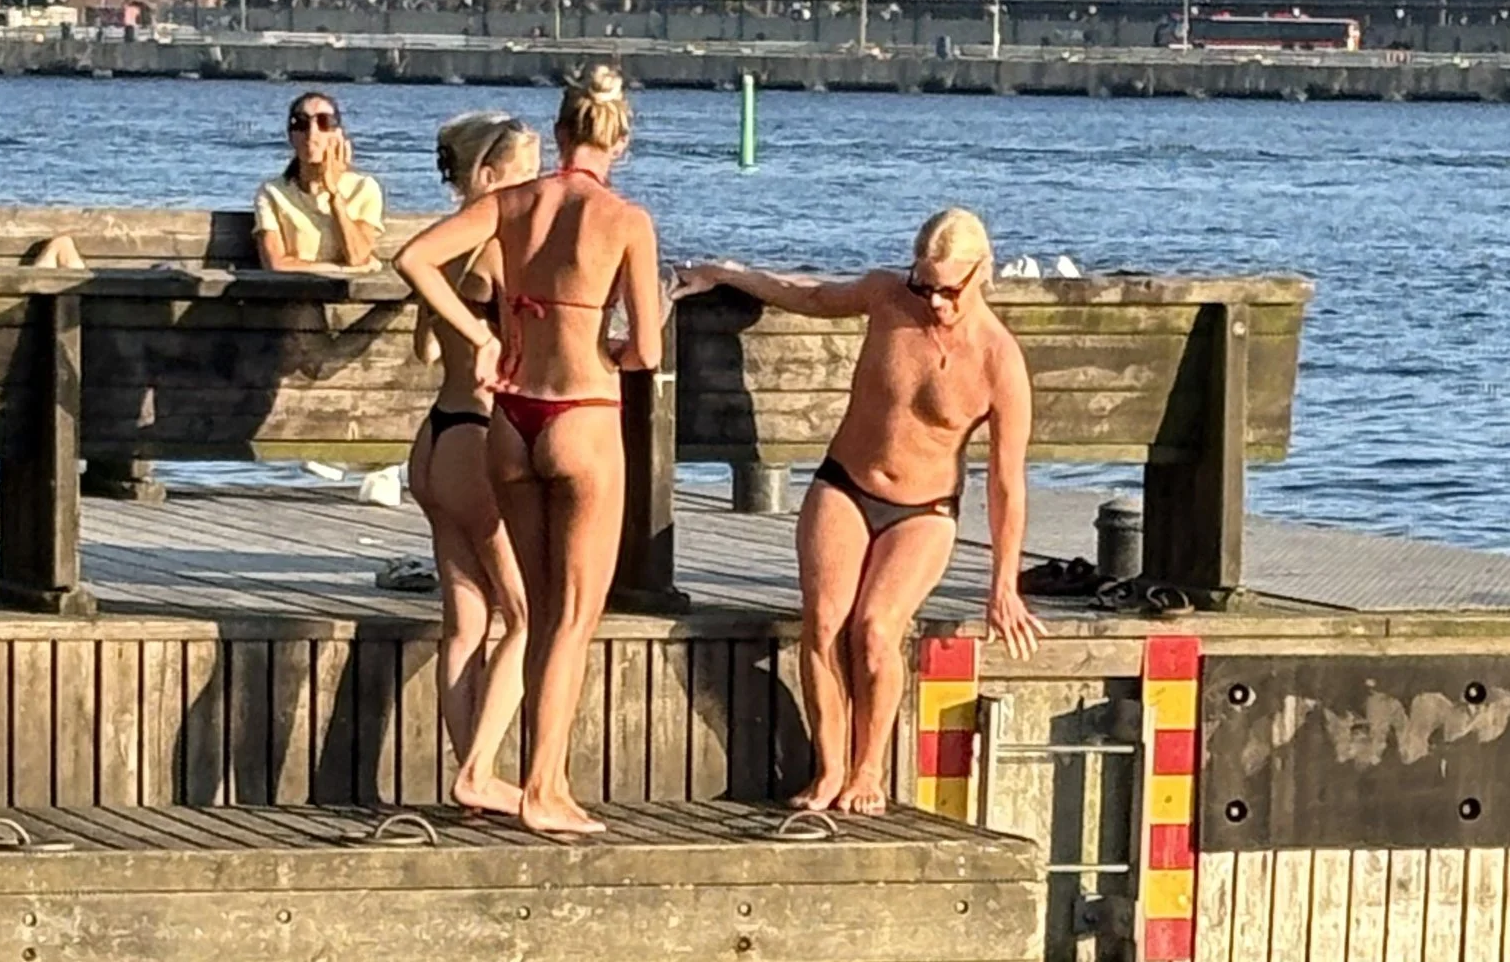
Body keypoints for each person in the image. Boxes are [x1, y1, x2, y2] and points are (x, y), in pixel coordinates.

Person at [677, 211, 1042, 817]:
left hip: (923, 510)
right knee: (822, 624)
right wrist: (727, 272)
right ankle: (829, 768)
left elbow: (1007, 482)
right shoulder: (886, 297)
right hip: (844, 484)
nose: (936, 302)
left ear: (983, 273)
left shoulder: (999, 360)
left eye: (950, 289)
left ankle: (868, 768)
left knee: (874, 631)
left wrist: (1003, 582)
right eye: (924, 284)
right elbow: (811, 295)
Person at [396, 65, 663, 842]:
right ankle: (545, 785)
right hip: (581, 409)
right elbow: (646, 346)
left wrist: (481, 332)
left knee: (534, 611)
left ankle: (524, 779)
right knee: (572, 617)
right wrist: (610, 348)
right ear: (621, 137)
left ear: (559, 131)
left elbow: (413, 258)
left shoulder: (511, 204)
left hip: (511, 418)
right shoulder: (626, 220)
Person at [409, 111, 541, 817]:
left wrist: (463, 336)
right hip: (475, 442)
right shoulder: (493, 251)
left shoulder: (448, 249)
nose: (538, 188)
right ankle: (481, 769)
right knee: (526, 612)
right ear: (488, 178)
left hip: (434, 435)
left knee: (466, 623)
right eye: (527, 174)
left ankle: (471, 781)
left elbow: (425, 352)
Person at [255, 94, 383, 275]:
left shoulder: (364, 188)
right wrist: (340, 269)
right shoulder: (273, 193)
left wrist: (333, 194)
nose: (311, 133)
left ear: (338, 135)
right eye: (301, 123)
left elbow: (357, 256)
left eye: (324, 122)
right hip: (289, 294)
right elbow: (275, 264)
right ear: (291, 136)